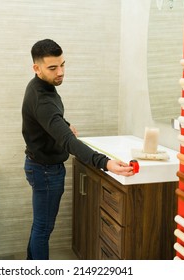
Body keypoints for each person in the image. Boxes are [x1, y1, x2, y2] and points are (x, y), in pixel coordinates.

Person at [22, 39, 135, 260]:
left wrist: (63, 125)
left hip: (41, 166)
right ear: (36, 68)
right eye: (53, 68)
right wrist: (106, 163)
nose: (61, 72)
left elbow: (50, 122)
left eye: (63, 64)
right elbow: (69, 143)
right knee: (43, 230)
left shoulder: (40, 86)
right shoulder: (42, 98)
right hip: (45, 171)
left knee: (40, 227)